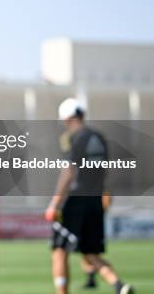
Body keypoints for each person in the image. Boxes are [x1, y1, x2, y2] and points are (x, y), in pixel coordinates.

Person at [45, 98, 133, 294]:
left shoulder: (71, 137)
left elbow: (68, 172)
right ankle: (119, 286)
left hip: (75, 200)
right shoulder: (99, 137)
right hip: (95, 200)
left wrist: (54, 203)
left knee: (59, 251)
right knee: (90, 252)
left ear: (66, 119)